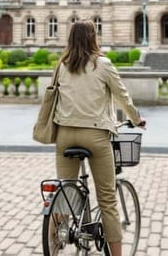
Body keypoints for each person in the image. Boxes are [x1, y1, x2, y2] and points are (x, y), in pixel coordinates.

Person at [52, 20, 146, 256]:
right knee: (107, 200)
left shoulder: (62, 65)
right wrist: (136, 118)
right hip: (95, 136)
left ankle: (52, 245)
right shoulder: (102, 64)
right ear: (94, 38)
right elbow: (122, 96)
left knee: (64, 195)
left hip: (64, 135)